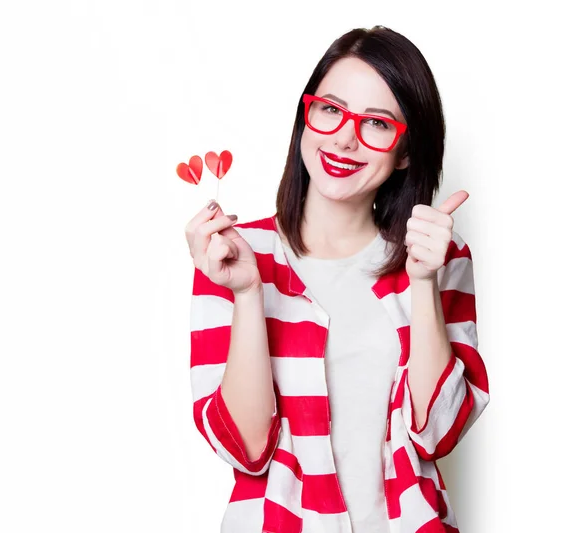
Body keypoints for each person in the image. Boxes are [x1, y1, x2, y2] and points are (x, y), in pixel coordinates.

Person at [185, 25, 490, 533]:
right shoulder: (238, 253)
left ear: (407, 150)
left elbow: (439, 434)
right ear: (307, 117)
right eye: (331, 110)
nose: (345, 138)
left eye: (377, 123)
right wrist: (246, 293)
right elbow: (247, 449)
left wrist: (422, 283)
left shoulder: (439, 255)